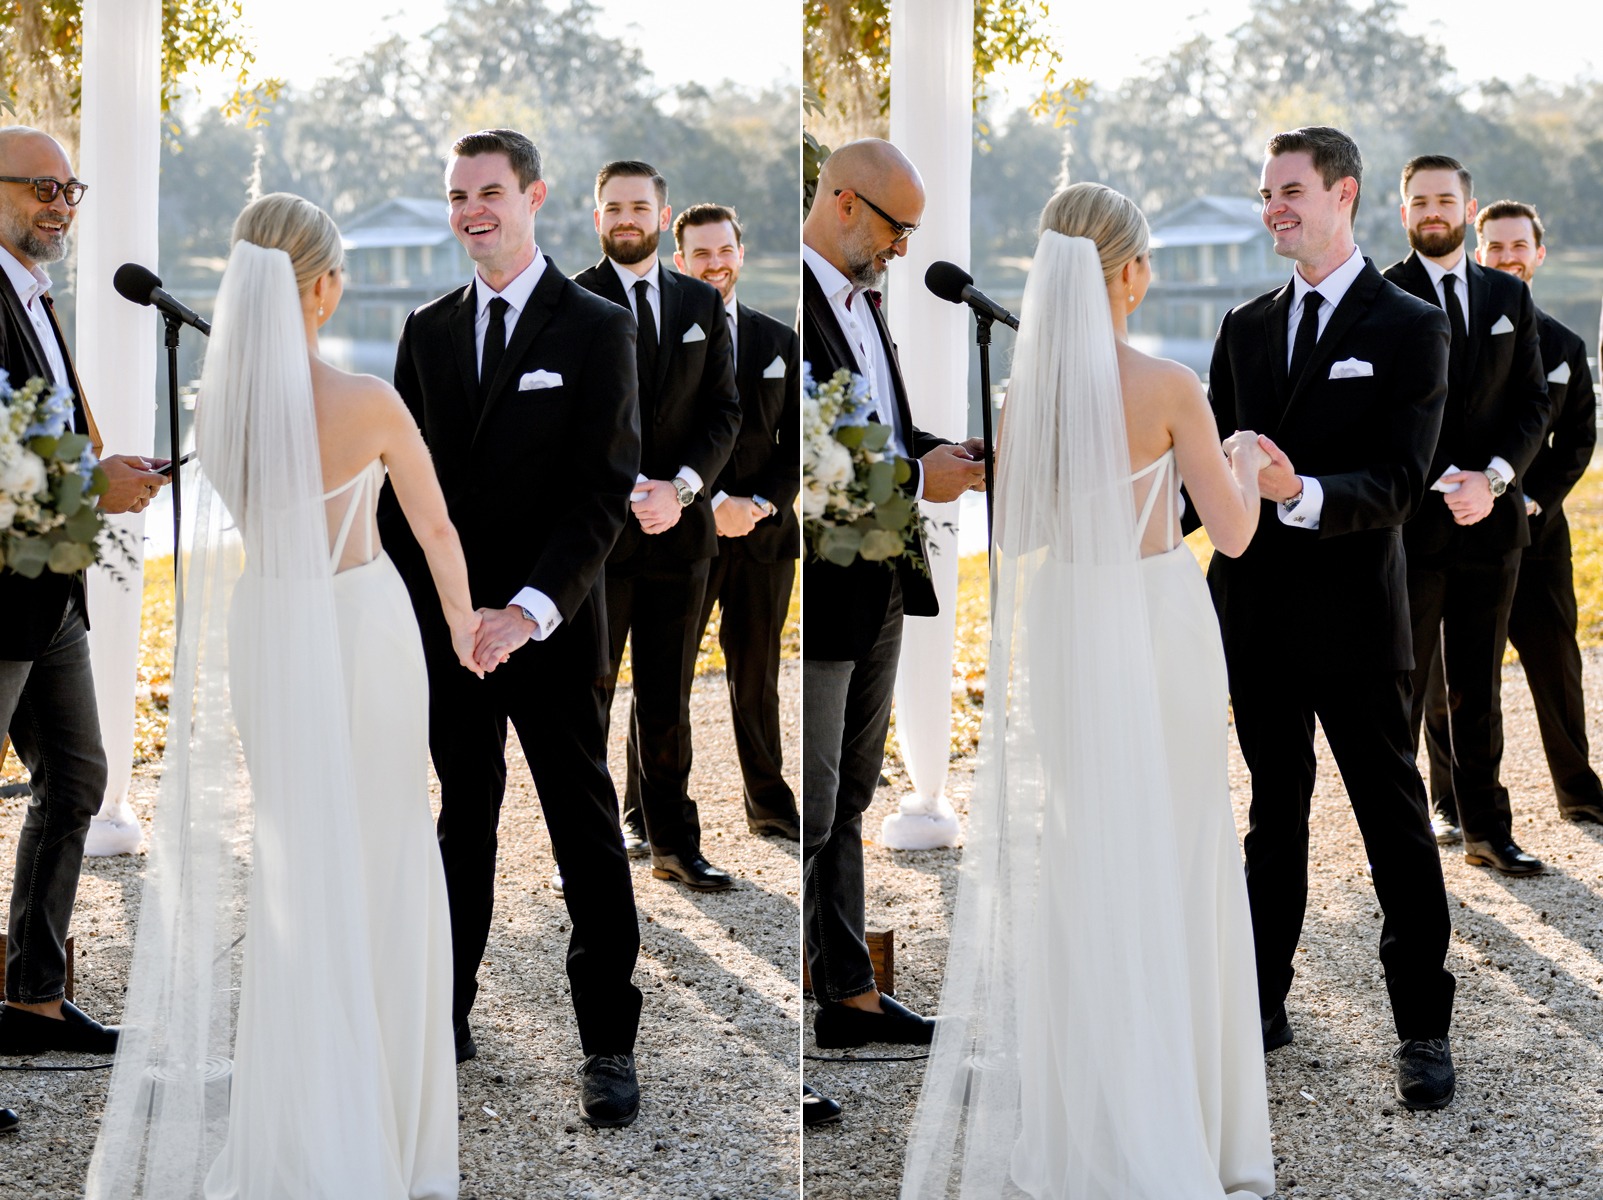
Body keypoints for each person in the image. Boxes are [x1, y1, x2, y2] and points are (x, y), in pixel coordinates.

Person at [87, 193, 478, 1197]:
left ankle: (302, 1106)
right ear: (323, 286)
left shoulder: (217, 411)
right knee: (385, 849)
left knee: (297, 860)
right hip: (361, 625)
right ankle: (384, 1116)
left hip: (268, 626)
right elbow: (436, 533)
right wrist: (470, 629)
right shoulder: (372, 401)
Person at [901, 183, 1275, 1199]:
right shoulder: (1169, 384)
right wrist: (1242, 462)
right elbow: (1233, 532)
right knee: (1182, 846)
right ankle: (1192, 1113)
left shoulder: (1027, 397)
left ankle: (1092, 1111)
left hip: (1066, 622)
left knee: (1082, 850)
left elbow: (1017, 537)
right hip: (1158, 620)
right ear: (1128, 273)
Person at [376, 129, 646, 1127]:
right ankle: (442, 1016)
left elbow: (600, 495)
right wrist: (448, 618)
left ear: (534, 197)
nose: (470, 211)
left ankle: (609, 1044)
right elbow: (405, 497)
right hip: (454, 635)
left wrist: (524, 613)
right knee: (462, 821)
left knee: (584, 830)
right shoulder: (426, 328)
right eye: (456, 196)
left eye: (489, 191)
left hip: (551, 625)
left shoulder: (594, 324)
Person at [1208, 126, 1457, 1110]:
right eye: (1264, 192)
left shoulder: (1406, 325)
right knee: (1273, 820)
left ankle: (1422, 1027)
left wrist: (1294, 487)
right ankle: (1259, 1005)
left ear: (1342, 195)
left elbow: (1399, 482)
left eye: (1290, 189)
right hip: (1258, 620)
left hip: (1359, 623)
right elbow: (1209, 483)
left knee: (1393, 825)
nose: (1273, 206)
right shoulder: (1243, 328)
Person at [799, 139, 984, 1122]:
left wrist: (937, 453)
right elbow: (805, 458)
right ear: (840, 201)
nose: (904, 250)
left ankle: (847, 995)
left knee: (854, 793)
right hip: (817, 588)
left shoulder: (863, 303)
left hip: (879, 581)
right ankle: (779, 1044)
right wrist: (919, 481)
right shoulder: (781, 307)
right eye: (895, 228)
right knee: (812, 803)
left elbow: (872, 430)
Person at [0, 126, 170, 1135]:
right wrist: (82, 486)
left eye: (72, 187)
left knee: (76, 779)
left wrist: (106, 473)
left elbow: (42, 427)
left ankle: (30, 998)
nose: (62, 203)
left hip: (46, 588)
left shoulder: (32, 293)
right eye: (41, 187)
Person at [574, 162, 742, 891]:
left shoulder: (701, 303)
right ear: (596, 216)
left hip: (681, 537)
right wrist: (619, 491)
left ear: (660, 212)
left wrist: (680, 488)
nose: (626, 219)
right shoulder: (570, 300)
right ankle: (585, 846)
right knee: (590, 697)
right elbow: (561, 426)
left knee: (668, 699)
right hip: (596, 543)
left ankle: (674, 843)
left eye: (639, 206)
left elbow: (724, 413)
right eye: (613, 208)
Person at [1383, 156, 1552, 875]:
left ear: (1466, 206)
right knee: (1401, 685)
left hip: (1492, 525)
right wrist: (1433, 482)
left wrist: (1491, 479)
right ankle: (1400, 838)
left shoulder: (1505, 296)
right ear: (1402, 213)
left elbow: (1533, 407)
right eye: (1418, 202)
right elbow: (1374, 417)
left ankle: (1487, 829)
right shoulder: (1378, 296)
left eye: (1443, 200)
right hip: (1411, 528)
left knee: (1478, 686)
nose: (1431, 213)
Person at [1423, 200, 1602, 826]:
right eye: (1494, 247)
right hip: (1466, 528)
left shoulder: (1564, 344)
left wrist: (1534, 495)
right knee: (1453, 676)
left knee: (1557, 660)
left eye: (1517, 246)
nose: (1507, 257)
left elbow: (1577, 436)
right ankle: (1448, 803)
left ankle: (1579, 791)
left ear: (1538, 253)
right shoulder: (1451, 332)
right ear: (1478, 253)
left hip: (1538, 530)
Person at [672, 202, 801, 841]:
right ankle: (651, 812)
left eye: (725, 250)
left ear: (740, 253)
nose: (715, 263)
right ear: (681, 262)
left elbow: (798, 445)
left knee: (759, 676)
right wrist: (713, 499)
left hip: (766, 537)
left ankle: (771, 807)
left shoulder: (779, 340)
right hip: (687, 534)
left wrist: (760, 506)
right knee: (668, 680)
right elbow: (659, 436)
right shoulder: (660, 338)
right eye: (701, 253)